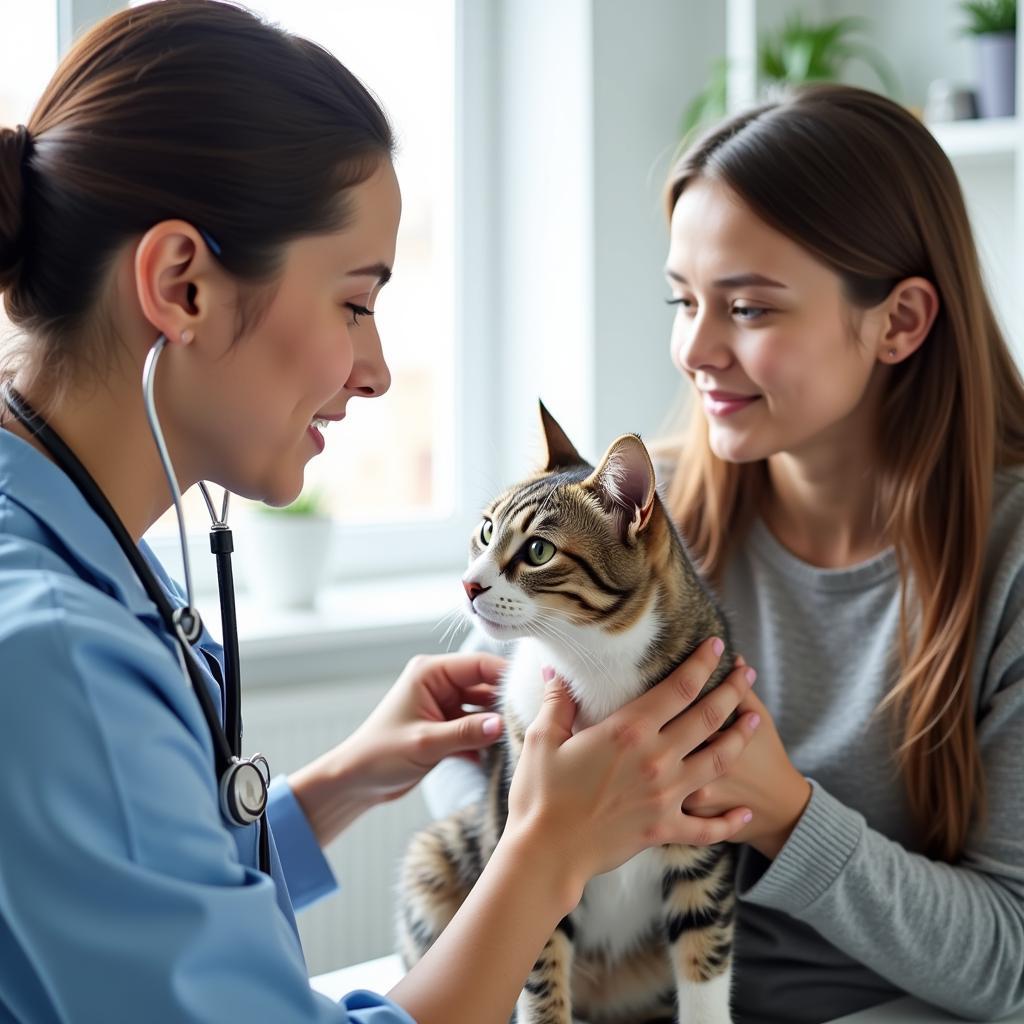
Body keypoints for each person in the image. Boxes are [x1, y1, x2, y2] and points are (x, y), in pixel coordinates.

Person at [0, 3, 761, 1023]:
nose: (377, 369)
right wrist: (544, 852)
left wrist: (343, 782)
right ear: (181, 284)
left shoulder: (79, 555)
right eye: (356, 302)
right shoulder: (57, 652)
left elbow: (140, 895)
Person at [427, 84, 1024, 1023]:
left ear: (899, 322)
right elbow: (479, 807)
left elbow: (1013, 963)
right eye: (682, 300)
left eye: (746, 307)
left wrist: (783, 808)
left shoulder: (1012, 562)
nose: (693, 349)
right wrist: (500, 775)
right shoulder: (630, 519)